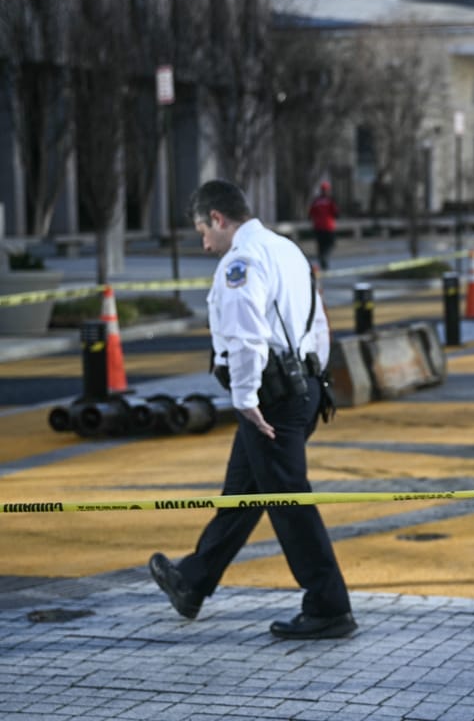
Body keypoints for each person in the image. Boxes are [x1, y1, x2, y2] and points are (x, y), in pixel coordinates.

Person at [149, 178, 356, 640]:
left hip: (271, 400)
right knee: (244, 491)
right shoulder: (287, 249)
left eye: (204, 230)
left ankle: (329, 605)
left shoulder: (240, 261)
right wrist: (314, 382)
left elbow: (246, 337)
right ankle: (193, 581)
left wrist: (245, 399)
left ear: (219, 219)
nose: (204, 242)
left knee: (288, 501)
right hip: (301, 389)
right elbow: (318, 320)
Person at [308, 180, 339, 270]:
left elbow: (310, 214)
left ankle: (322, 258)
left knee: (321, 245)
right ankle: (324, 257)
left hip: (318, 227)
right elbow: (336, 213)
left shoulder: (316, 201)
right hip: (328, 226)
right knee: (329, 243)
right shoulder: (330, 201)